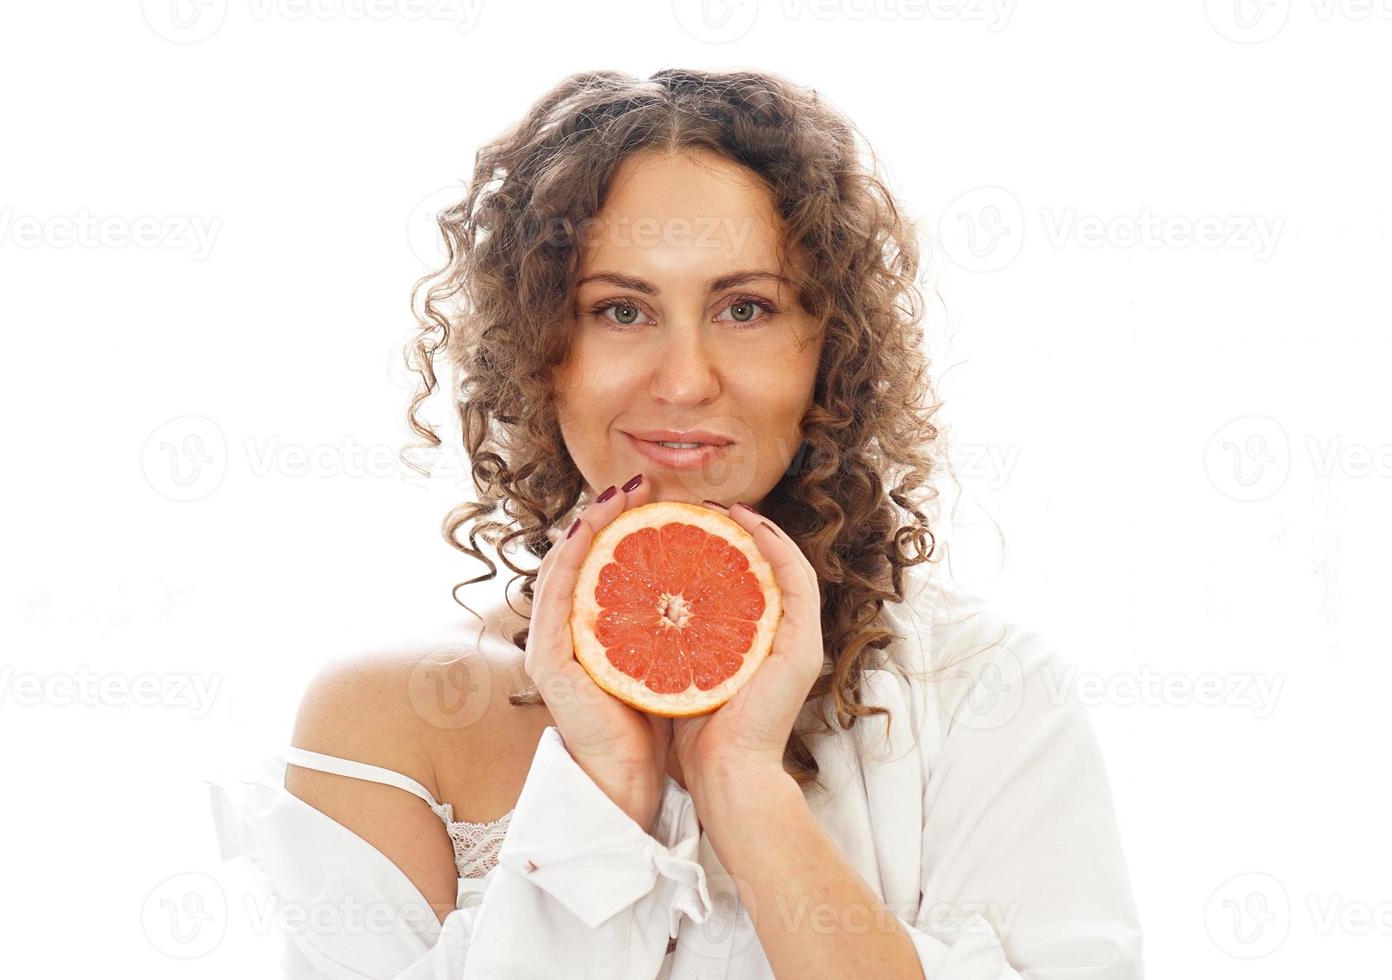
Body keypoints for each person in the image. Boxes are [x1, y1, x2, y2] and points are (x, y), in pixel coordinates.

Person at [207, 67, 1144, 978]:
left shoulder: (987, 690)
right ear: (541, 352)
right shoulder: (394, 714)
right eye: (620, 310)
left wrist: (742, 787)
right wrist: (606, 789)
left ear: (831, 347)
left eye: (746, 308)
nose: (687, 379)